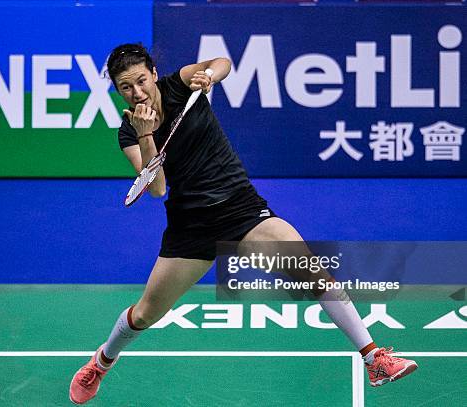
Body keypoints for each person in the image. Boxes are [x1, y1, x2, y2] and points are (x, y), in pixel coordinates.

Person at [68, 43, 417, 405]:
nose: (137, 92)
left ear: (153, 73)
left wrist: (211, 76)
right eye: (126, 87)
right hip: (191, 226)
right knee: (145, 313)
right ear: (117, 90)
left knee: (312, 271)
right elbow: (155, 189)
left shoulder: (180, 84)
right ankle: (102, 361)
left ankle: (374, 358)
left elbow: (223, 62)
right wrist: (146, 134)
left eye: (141, 80)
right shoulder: (128, 133)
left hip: (240, 208)